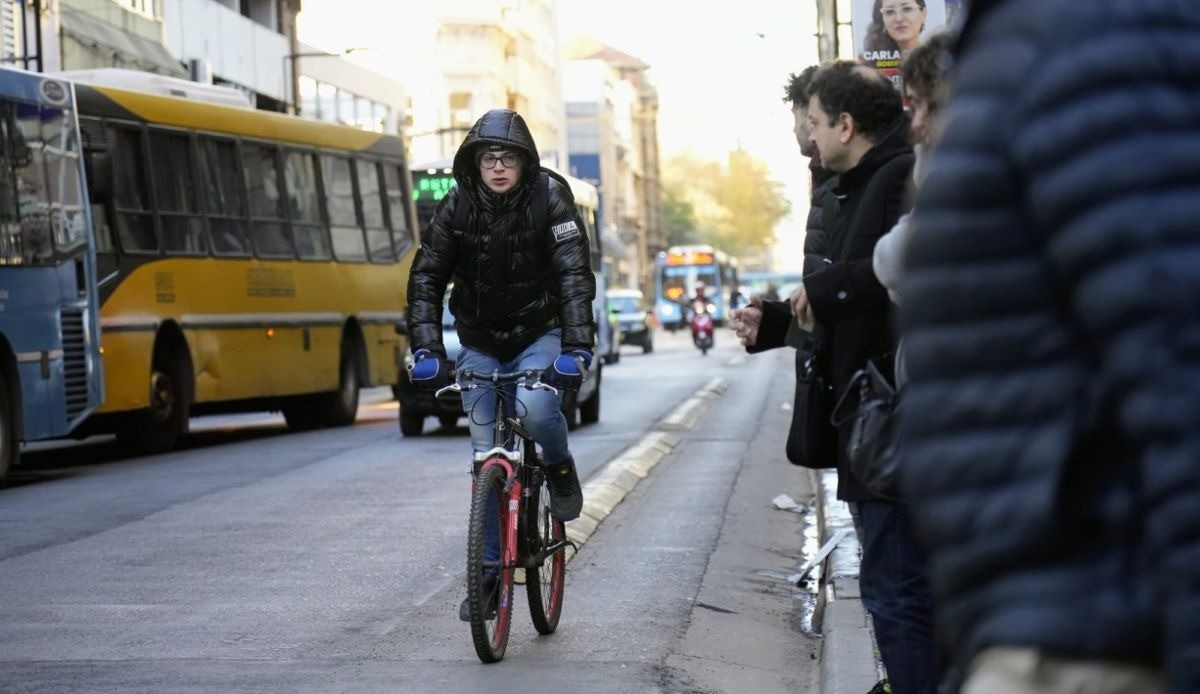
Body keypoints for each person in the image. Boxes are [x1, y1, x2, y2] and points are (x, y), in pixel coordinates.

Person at [899, 2, 1200, 692]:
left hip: (1096, 639)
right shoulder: (1046, 36)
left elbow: (1179, 367)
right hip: (1059, 623)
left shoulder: (1097, 36)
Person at [405, 108, 595, 620]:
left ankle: (557, 467)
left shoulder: (550, 199)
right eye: (488, 157)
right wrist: (427, 350)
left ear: (524, 161)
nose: (497, 167)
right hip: (481, 339)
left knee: (535, 411)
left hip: (541, 331)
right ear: (474, 162)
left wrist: (576, 350)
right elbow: (426, 277)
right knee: (486, 457)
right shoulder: (457, 205)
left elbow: (575, 276)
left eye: (507, 157)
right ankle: (488, 578)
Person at [803, 61, 936, 694]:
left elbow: (879, 279)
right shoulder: (868, 180)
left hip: (894, 414)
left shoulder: (894, 179)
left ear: (846, 124)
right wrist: (785, 315)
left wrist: (823, 290)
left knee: (898, 585)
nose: (809, 135)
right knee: (895, 582)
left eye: (816, 122)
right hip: (882, 411)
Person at [864, 0, 929, 56]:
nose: (899, 19)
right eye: (890, 11)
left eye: (907, 8)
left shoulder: (936, 57)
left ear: (924, 14)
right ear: (882, 20)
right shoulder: (869, 63)